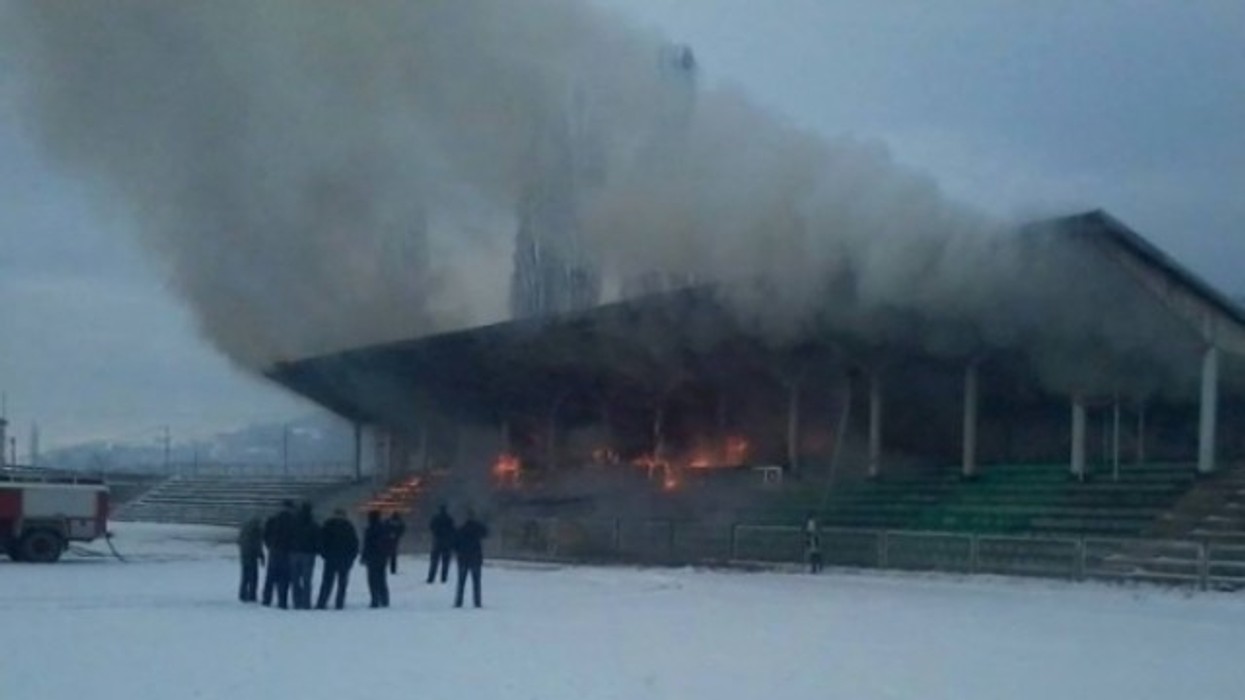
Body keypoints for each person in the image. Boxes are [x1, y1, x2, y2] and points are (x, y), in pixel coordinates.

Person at [316, 509, 359, 610]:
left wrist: (324, 554)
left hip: (331, 558)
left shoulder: (328, 525)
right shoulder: (348, 526)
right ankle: (339, 603)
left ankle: (322, 602)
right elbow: (354, 543)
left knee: (327, 582)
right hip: (344, 559)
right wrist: (351, 557)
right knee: (342, 583)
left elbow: (321, 540)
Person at [261, 501, 296, 608]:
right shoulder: (294, 521)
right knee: (284, 577)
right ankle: (282, 601)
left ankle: (266, 599)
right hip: (287, 551)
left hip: (274, 550)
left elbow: (265, 535)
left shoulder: (273, 520)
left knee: (270, 576)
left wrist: (269, 545)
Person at [453, 507, 489, 609]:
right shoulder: (478, 529)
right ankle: (477, 602)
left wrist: (459, 552)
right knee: (476, 582)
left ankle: (459, 602)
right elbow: (486, 533)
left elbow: (455, 544)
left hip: (463, 558)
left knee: (461, 582)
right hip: (475, 558)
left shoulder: (461, 529)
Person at [289, 502, 319, 610]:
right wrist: (317, 550)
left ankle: (296, 602)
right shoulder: (313, 524)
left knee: (295, 579)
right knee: (307, 580)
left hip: (294, 553)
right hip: (308, 554)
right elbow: (317, 539)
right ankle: (306, 602)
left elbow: (289, 536)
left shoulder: (294, 522)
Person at [360, 510, 390, 608]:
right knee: (382, 579)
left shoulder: (369, 529)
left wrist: (363, 557)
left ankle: (375, 599)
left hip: (372, 557)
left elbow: (366, 545)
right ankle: (384, 599)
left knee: (372, 580)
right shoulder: (384, 528)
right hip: (382, 557)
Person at [236, 516, 265, 603]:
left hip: (244, 554)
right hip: (252, 556)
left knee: (245, 576)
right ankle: (252, 595)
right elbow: (257, 545)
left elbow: (238, 541)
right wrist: (261, 556)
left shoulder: (244, 530)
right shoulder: (256, 531)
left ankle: (243, 594)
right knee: (253, 577)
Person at [426, 504, 456, 584]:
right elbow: (453, 531)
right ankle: (444, 578)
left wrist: (436, 533)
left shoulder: (436, 518)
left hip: (437, 542)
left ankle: (431, 577)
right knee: (445, 562)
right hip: (447, 543)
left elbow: (431, 527)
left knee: (434, 561)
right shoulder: (449, 519)